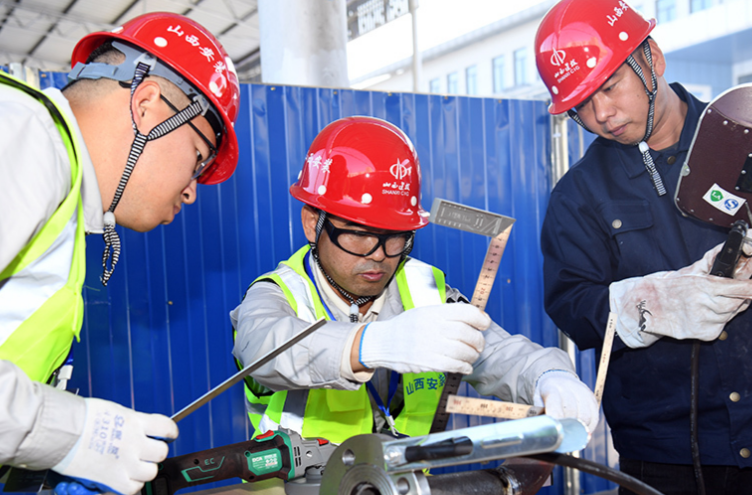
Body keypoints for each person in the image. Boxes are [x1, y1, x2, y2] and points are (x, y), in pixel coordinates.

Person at [231, 116, 598, 452]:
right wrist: (369, 345)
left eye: (395, 237)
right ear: (313, 224)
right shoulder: (278, 293)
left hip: (406, 482)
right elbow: (262, 347)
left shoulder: (425, 290)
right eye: (358, 235)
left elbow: (494, 352)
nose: (378, 255)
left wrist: (548, 376)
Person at [0, 12, 239, 495]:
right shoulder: (22, 136)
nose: (192, 192)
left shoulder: (59, 185)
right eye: (198, 159)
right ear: (148, 104)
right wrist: (73, 432)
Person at [535, 0, 752, 493]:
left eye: (610, 88)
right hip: (664, 456)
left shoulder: (744, 140)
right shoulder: (578, 196)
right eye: (581, 106)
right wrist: (647, 305)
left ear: (651, 57)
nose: (602, 114)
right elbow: (571, 306)